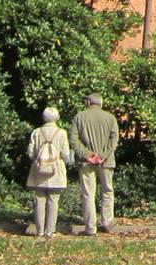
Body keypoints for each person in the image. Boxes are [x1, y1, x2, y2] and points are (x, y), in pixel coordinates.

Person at [71, 93, 119, 236]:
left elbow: (73, 140)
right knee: (107, 190)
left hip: (86, 162)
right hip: (106, 161)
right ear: (101, 103)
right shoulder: (111, 118)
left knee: (88, 194)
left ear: (88, 102)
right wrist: (103, 155)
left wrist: (88, 155)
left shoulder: (79, 117)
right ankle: (107, 222)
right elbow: (114, 140)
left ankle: (90, 228)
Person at [25, 106, 71, 238]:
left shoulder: (36, 132)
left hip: (39, 171)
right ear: (57, 118)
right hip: (56, 171)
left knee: (39, 200)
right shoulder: (62, 133)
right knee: (53, 200)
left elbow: (30, 152)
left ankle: (39, 231)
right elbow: (66, 154)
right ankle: (50, 231)